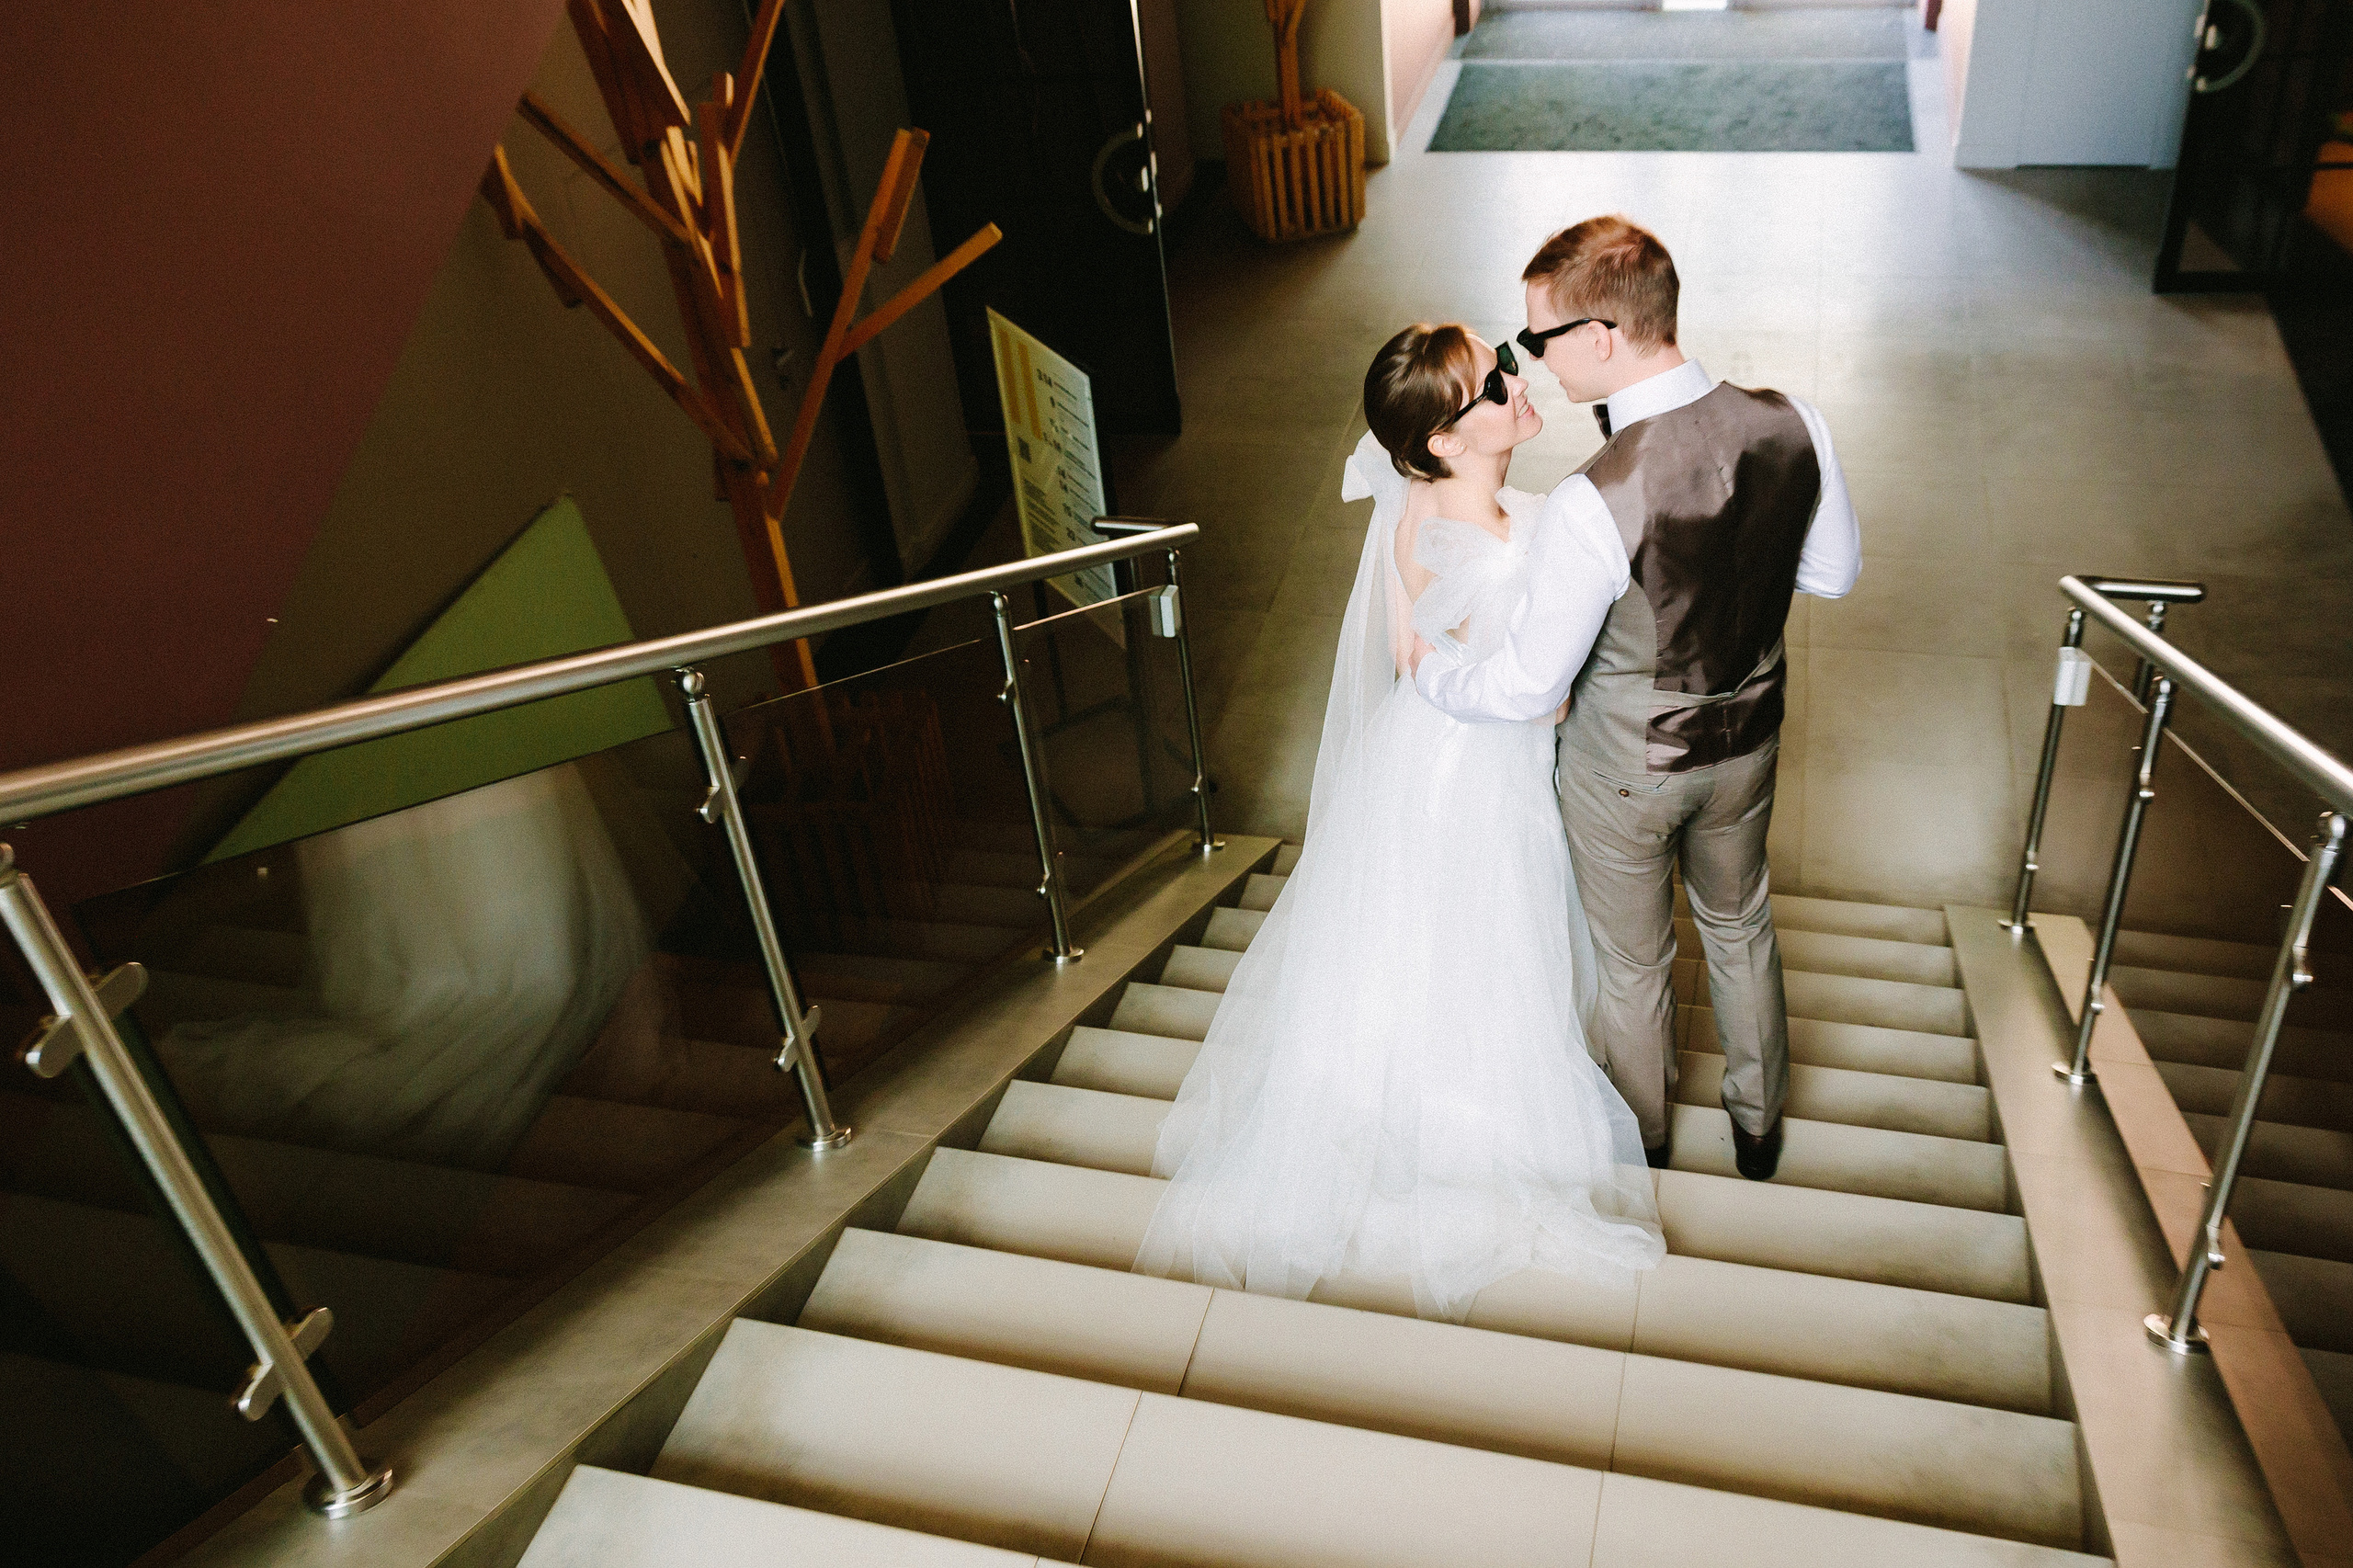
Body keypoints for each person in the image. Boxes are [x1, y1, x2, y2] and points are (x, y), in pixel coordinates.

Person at [1132, 324, 1664, 1324]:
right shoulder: (1497, 534)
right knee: (1482, 939)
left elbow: (1406, 646)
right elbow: (1533, 697)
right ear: (1446, 442)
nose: (1516, 383)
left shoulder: (1421, 506)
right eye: (1490, 387)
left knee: (1415, 937)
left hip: (1421, 753)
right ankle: (1462, 1129)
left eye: (1503, 364)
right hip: (1479, 769)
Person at [1413, 216, 1860, 1181]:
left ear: (1601, 337)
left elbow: (1531, 683)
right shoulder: (1797, 421)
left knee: (1634, 965)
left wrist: (1434, 674)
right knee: (1740, 922)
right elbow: (1830, 576)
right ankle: (1757, 1123)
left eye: (1538, 340)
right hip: (1748, 747)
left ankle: (1642, 1140)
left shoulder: (1594, 496)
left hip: (1626, 774)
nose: (1532, 361)